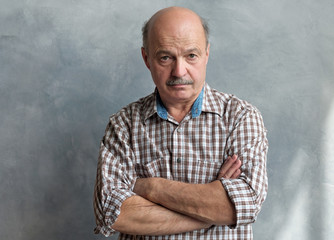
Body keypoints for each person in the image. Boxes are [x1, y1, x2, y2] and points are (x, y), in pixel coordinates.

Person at [93, 6, 268, 240]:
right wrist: (212, 208)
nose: (179, 70)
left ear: (207, 54)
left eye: (191, 56)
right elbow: (113, 214)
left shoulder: (240, 118)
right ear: (146, 59)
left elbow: (245, 205)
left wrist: (149, 187)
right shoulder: (123, 125)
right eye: (165, 57)